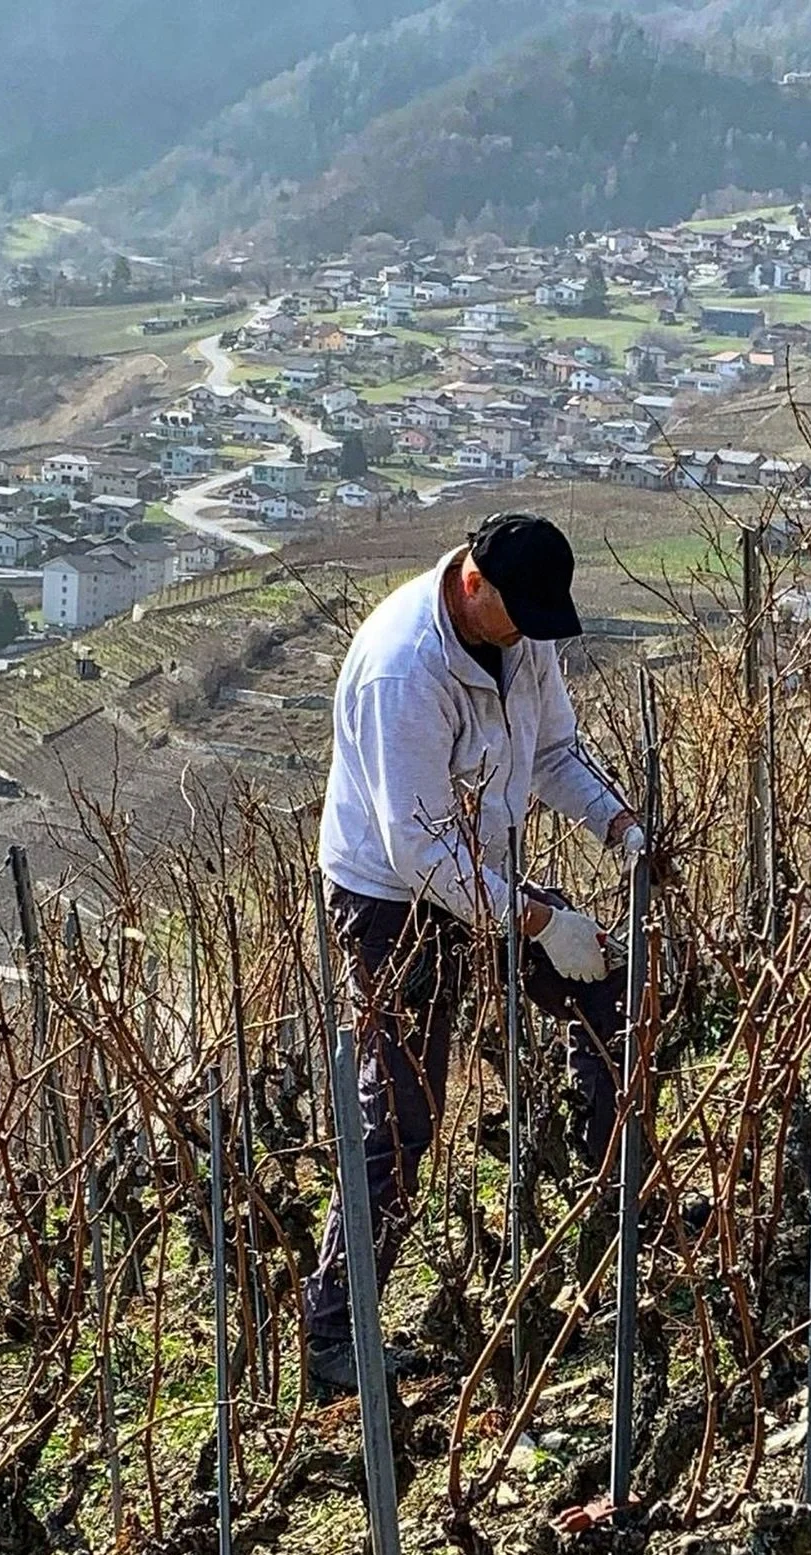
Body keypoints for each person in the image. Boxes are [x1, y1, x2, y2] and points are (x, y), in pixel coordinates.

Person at [306, 511, 642, 1398]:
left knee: (609, 984)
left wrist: (618, 821)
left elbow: (556, 753)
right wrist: (538, 923)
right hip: (388, 901)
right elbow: (418, 851)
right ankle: (336, 1335)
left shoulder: (522, 633)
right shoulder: (402, 670)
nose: (532, 631)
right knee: (403, 1115)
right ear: (471, 584)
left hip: (484, 877)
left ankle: (612, 1203)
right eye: (519, 613)